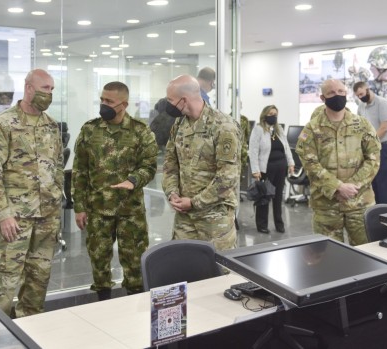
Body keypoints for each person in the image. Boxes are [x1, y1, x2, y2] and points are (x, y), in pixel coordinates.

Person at [0, 68, 63, 317]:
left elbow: (56, 168)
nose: (49, 94)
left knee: (38, 286)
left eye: (51, 90)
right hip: (14, 219)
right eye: (45, 88)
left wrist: (56, 206)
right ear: (29, 88)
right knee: (3, 288)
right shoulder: (3, 124)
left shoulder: (51, 125)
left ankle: (30, 333)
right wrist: (4, 214)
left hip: (46, 219)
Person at [72, 81, 158, 299]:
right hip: (98, 209)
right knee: (99, 263)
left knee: (135, 264)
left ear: (124, 105)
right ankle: (103, 303)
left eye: (109, 101)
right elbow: (80, 170)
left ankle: (135, 306)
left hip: (130, 210)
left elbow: (149, 166)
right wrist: (79, 207)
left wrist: (133, 180)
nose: (103, 104)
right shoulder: (90, 130)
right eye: (102, 99)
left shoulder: (141, 131)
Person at [295, 79, 380, 246]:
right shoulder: (311, 129)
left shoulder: (362, 125)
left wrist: (351, 187)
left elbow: (373, 159)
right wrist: (337, 187)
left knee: (368, 255)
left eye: (341, 92)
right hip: (326, 207)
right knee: (328, 257)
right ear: (322, 98)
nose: (338, 95)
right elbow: (310, 164)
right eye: (332, 93)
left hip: (359, 203)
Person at [162, 75, 241, 251]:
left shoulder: (223, 126)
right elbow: (169, 165)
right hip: (184, 218)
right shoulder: (179, 125)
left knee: (219, 272)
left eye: (170, 100)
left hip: (215, 219)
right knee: (184, 268)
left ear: (184, 100)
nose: (167, 104)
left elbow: (228, 177)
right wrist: (172, 193)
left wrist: (195, 202)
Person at [248, 105, 294, 233]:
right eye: (270, 113)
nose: (273, 116)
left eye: (275, 114)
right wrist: (255, 170)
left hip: (281, 167)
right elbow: (253, 151)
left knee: (278, 197)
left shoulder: (278, 129)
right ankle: (262, 225)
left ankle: (279, 224)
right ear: (264, 115)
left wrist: (290, 163)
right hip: (266, 169)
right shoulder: (258, 129)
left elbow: (286, 147)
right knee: (265, 197)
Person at [353, 81, 387, 204]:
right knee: (373, 183)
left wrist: (369, 142)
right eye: (358, 96)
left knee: (383, 184)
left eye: (361, 94)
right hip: (370, 149)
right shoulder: (361, 106)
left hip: (384, 148)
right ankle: (375, 214)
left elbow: (384, 128)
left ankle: (386, 216)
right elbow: (359, 126)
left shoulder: (382, 103)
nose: (361, 97)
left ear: (368, 89)